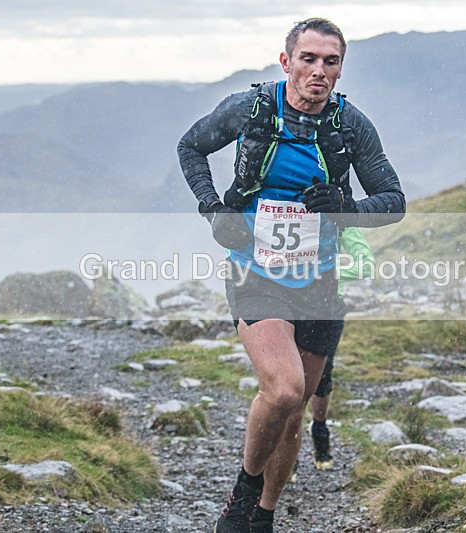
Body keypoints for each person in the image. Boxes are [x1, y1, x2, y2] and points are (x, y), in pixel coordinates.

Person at [177, 17, 404, 533]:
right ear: (286, 62)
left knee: (297, 409)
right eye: (309, 59)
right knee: (283, 390)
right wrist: (214, 210)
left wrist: (347, 206)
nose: (319, 71)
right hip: (254, 271)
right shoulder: (252, 109)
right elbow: (190, 147)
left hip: (320, 279)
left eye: (331, 62)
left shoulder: (351, 126)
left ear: (341, 69)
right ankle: (246, 488)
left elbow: (394, 201)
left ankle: (264, 514)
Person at [307, 226, 375, 471]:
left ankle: (319, 429)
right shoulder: (283, 206)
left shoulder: (339, 218)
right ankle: (285, 454)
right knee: (287, 378)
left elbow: (366, 264)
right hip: (288, 304)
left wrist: (325, 273)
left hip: (327, 306)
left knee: (321, 377)